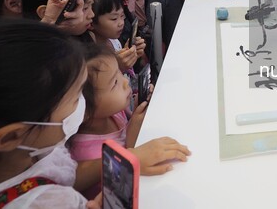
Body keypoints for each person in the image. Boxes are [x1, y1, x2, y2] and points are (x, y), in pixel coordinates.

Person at [0, 19, 100, 208]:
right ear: (10, 136)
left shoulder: (31, 142)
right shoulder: (50, 204)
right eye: (76, 97)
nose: (85, 101)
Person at [69, 44, 191, 199]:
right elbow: (122, 189)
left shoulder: (113, 112)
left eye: (120, 74)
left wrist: (138, 106)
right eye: (114, 83)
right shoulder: (89, 153)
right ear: (82, 108)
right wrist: (132, 138)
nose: (126, 82)